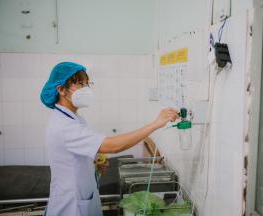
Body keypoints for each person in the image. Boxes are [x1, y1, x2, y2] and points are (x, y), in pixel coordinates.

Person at [40, 62, 178, 216]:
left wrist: (94, 165)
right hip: (71, 207)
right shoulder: (64, 126)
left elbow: (74, 155)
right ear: (61, 90)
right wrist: (155, 124)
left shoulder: (72, 118)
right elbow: (112, 146)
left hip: (81, 197)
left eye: (87, 84)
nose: (85, 89)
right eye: (80, 84)